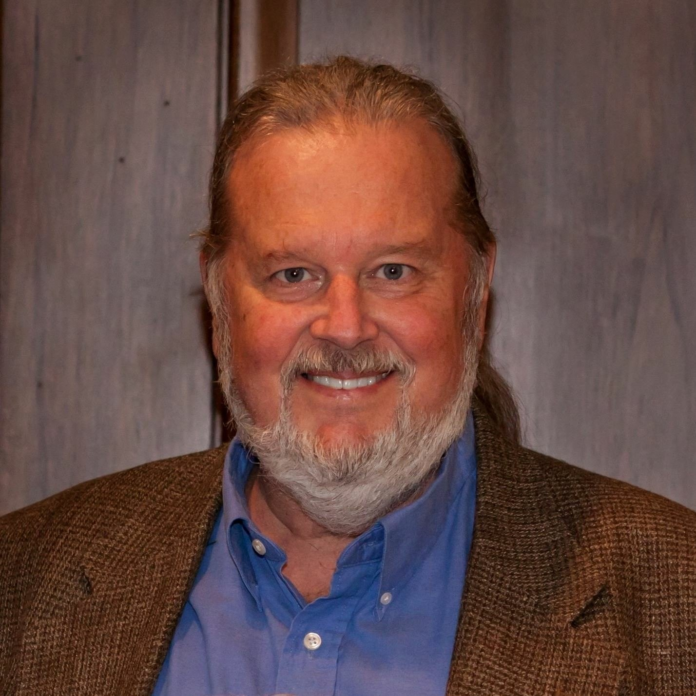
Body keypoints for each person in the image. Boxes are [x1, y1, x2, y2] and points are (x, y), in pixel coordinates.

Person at [1, 57, 695, 696]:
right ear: (218, 303)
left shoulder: (675, 597)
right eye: (292, 274)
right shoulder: (21, 584)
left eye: (393, 271)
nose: (344, 327)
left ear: (476, 293)